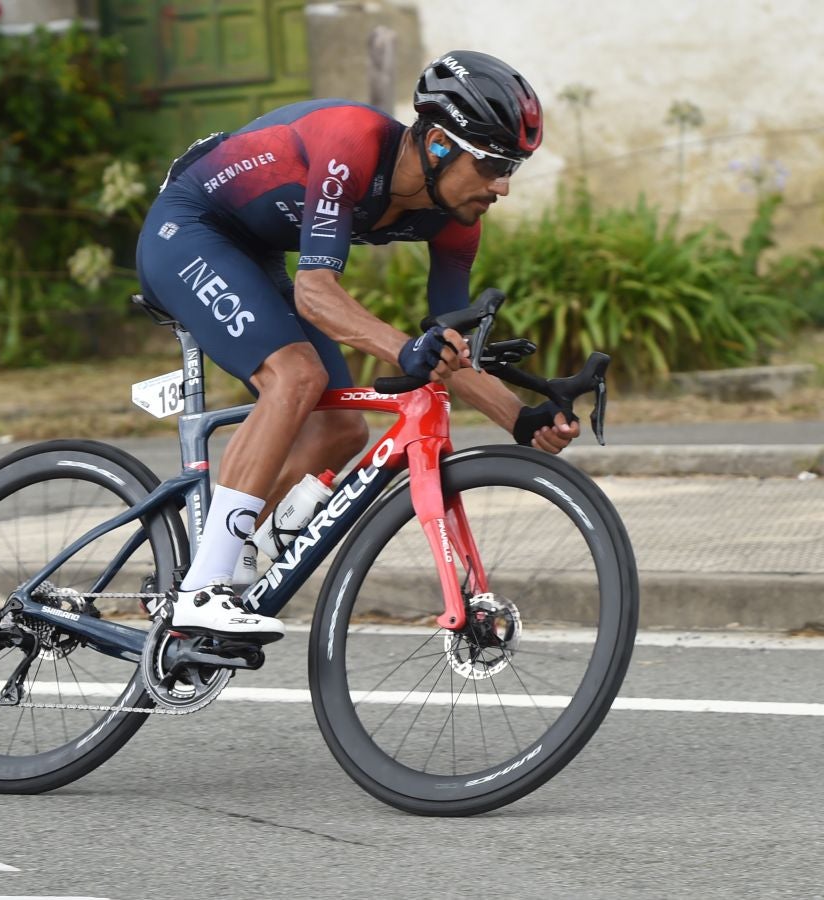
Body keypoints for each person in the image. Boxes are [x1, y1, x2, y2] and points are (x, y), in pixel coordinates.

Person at [136, 50, 579, 644]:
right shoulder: (352, 141)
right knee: (293, 376)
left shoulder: (458, 219)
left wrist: (521, 419)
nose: (501, 186)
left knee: (341, 429)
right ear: (441, 144)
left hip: (253, 251)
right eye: (494, 163)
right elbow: (317, 293)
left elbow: (444, 347)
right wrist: (404, 348)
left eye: (513, 168)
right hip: (187, 228)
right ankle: (201, 591)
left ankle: (224, 563)